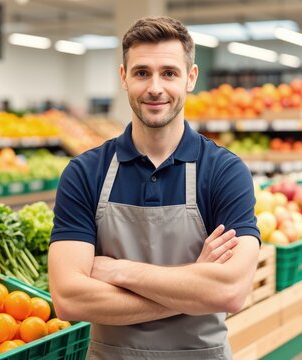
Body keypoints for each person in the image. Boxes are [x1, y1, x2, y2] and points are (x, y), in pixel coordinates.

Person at [48, 16, 260, 360]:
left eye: (169, 73)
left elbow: (231, 291)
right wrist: (193, 285)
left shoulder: (224, 171)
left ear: (190, 78)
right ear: (124, 78)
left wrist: (118, 270)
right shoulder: (85, 173)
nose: (155, 88)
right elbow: (69, 298)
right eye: (142, 72)